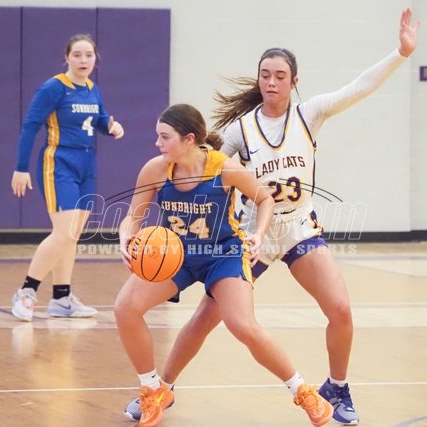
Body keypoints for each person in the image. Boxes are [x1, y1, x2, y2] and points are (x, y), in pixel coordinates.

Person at [124, 8, 419, 426]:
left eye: (280, 76)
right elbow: (206, 167)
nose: (271, 82)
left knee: (340, 308)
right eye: (265, 75)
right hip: (251, 235)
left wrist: (401, 53)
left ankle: (337, 387)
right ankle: (163, 389)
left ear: (294, 81)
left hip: (298, 226)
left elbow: (358, 88)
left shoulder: (310, 114)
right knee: (206, 319)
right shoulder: (240, 131)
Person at [114, 103, 334, 427]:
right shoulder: (155, 170)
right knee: (125, 308)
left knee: (242, 325)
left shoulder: (223, 167)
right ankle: (152, 390)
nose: (158, 143)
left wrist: (258, 234)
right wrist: (126, 238)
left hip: (224, 253)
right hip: (176, 255)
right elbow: (133, 216)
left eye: (165, 137)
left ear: (189, 139)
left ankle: (303, 391)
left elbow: (264, 198)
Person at [11, 34, 125, 321]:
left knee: (72, 236)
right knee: (63, 233)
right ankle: (26, 292)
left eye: (89, 55)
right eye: (77, 55)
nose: (83, 60)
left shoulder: (92, 89)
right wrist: (21, 168)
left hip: (87, 164)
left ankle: (61, 298)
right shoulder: (53, 88)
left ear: (96, 59)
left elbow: (99, 120)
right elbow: (30, 126)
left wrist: (111, 126)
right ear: (67, 58)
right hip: (59, 162)